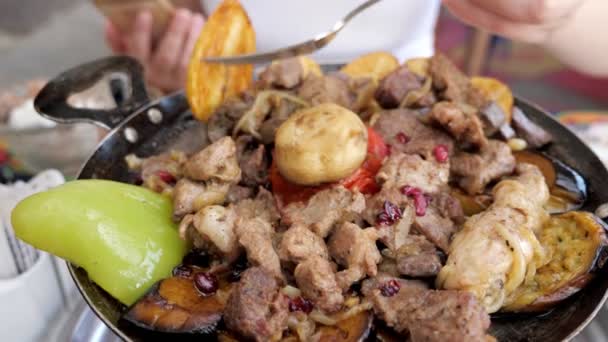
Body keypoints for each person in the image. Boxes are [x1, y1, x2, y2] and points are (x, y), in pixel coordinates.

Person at [105, 0, 607, 93]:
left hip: (405, 93)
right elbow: (177, 14)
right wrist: (181, 69)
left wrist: (555, 17)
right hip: (237, 95)